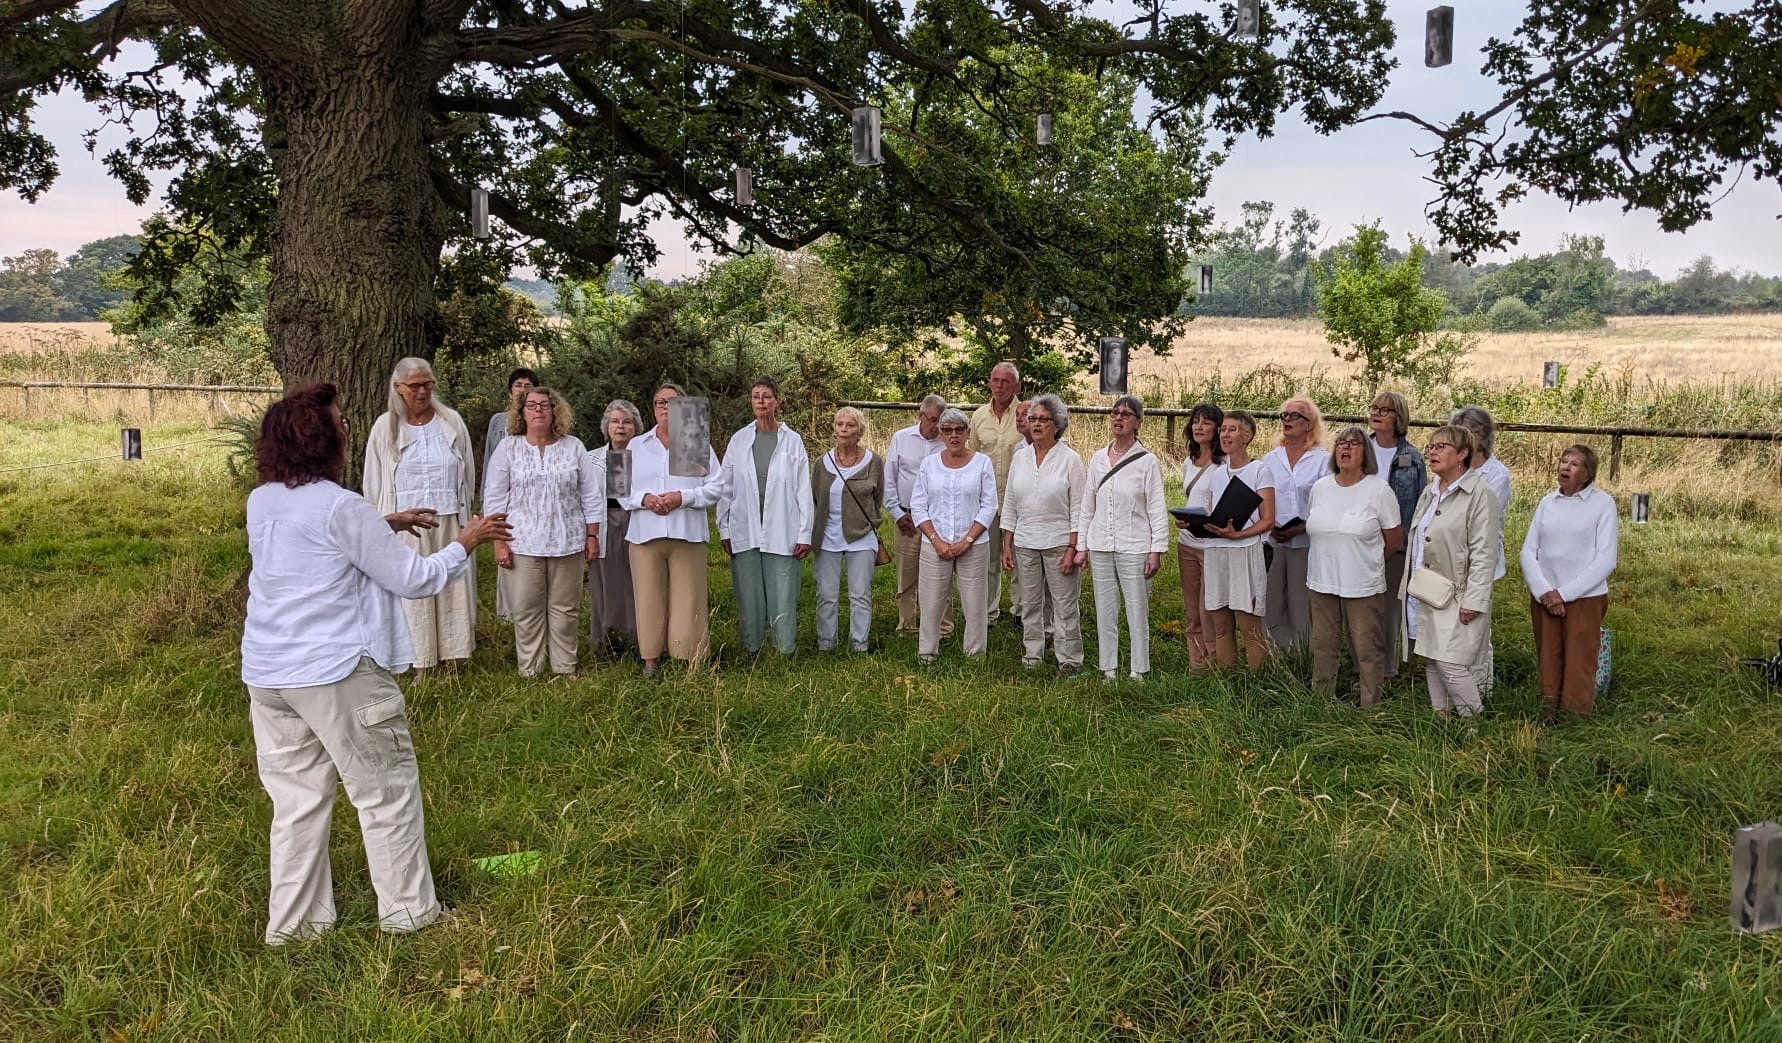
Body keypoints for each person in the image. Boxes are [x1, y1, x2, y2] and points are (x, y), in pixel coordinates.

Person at [242, 382, 510, 945]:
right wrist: (466, 540)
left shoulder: (262, 500)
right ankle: (410, 914)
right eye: (339, 423)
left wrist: (380, 524)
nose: (345, 427)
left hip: (268, 675)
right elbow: (415, 580)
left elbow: (310, 543)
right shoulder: (342, 506)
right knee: (386, 793)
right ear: (325, 441)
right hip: (336, 672)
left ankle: (295, 928)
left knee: (296, 802)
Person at [362, 357, 479, 674]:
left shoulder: (451, 422)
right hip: (405, 528)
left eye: (428, 384)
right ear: (398, 388)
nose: (423, 391)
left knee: (452, 588)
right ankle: (420, 664)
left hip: (449, 521)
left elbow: (466, 473)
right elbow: (373, 483)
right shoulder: (385, 428)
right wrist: (382, 522)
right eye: (415, 386)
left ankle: (452, 660)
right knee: (413, 592)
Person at [484, 386, 601, 677]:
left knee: (565, 610)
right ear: (521, 413)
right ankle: (531, 670)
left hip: (568, 540)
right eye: (532, 405)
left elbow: (590, 495)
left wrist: (592, 535)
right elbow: (494, 499)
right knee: (526, 609)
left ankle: (564, 668)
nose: (538, 410)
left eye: (545, 405)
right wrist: (499, 543)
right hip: (522, 542)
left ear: (555, 411)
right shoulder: (508, 448)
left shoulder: (573, 446)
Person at [619, 383, 724, 678]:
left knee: (689, 597)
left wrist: (684, 497)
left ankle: (688, 660)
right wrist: (644, 499)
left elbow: (716, 486)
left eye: (671, 402)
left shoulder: (695, 441)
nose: (665, 408)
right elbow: (619, 489)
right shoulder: (636, 445)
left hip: (687, 532)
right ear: (653, 409)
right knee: (648, 597)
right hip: (644, 534)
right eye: (659, 403)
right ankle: (650, 659)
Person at [1399, 424, 1500, 719]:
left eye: (1441, 446)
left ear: (1463, 454)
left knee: (1451, 662)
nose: (1432, 452)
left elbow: (1484, 552)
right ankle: (1441, 722)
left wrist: (1474, 599)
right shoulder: (1430, 492)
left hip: (1457, 594)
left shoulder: (1480, 495)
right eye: (1431, 446)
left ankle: (1473, 726)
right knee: (1432, 656)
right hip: (1426, 590)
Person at [1305, 427, 1403, 707]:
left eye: (1354, 444)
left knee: (1366, 647)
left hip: (1362, 585)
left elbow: (1394, 538)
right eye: (1341, 443)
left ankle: (1369, 705)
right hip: (1321, 581)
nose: (1345, 448)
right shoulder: (1321, 487)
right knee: (1323, 644)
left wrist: (1367, 562)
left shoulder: (1379, 490)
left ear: (1366, 453)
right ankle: (1322, 699)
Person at [1520, 444, 1618, 718]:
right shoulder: (1547, 502)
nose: (1565, 467)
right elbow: (1528, 551)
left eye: (1574, 464)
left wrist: (1563, 594)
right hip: (1544, 596)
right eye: (1563, 461)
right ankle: (1548, 713)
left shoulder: (1603, 505)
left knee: (1579, 661)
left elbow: (1606, 560)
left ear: (1588, 474)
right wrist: (1544, 592)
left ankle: (1574, 720)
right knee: (1549, 657)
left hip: (1584, 598)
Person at [717, 377, 813, 656]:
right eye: (756, 396)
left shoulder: (792, 441)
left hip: (783, 528)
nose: (761, 401)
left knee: (783, 590)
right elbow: (726, 486)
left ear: (777, 401)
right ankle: (752, 646)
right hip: (744, 527)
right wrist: (723, 529)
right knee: (749, 592)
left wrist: (804, 533)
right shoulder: (740, 439)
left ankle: (784, 647)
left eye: (767, 396)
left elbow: (803, 489)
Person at [1076, 394, 1169, 682]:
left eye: (1126, 414)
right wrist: (1082, 546)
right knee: (1105, 609)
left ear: (1138, 422)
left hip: (1135, 545)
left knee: (1136, 609)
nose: (1118, 418)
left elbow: (1156, 507)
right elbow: (1087, 504)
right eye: (1115, 413)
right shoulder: (1097, 459)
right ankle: (1108, 668)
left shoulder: (1147, 462)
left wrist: (1157, 549)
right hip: (1101, 543)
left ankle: (1138, 670)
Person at [1000, 394, 1085, 673]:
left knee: (1064, 605)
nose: (1035, 424)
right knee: (1030, 604)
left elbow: (1079, 507)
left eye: (1043, 419)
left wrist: (1073, 547)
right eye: (1032, 418)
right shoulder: (1020, 457)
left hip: (1059, 542)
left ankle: (1069, 658)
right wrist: (1007, 541)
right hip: (1025, 541)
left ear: (1057, 425)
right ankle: (1032, 655)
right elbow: (1011, 502)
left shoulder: (1070, 459)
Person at [911, 407, 998, 662]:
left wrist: (967, 541)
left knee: (974, 603)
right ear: (940, 434)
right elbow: (918, 505)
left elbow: (989, 505)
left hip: (973, 545)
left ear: (968, 432)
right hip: (934, 544)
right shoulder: (929, 465)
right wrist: (936, 540)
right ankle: (927, 653)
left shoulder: (982, 463)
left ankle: (974, 655)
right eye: (947, 431)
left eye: (959, 430)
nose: (954, 435)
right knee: (931, 602)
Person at [1195, 411, 1278, 670]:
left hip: (1245, 551)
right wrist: (1196, 523)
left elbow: (1268, 519)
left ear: (1247, 436)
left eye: (1232, 429)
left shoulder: (1259, 471)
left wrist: (1238, 534)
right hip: (1218, 550)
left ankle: (1257, 683)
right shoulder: (1218, 472)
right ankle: (1229, 682)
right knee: (1221, 625)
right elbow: (1213, 513)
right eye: (1223, 430)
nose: (1225, 434)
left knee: (1248, 625)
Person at [811, 406, 886, 652]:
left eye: (850, 425)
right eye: (840, 424)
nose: (844, 429)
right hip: (827, 537)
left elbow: (877, 499)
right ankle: (826, 644)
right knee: (826, 594)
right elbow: (815, 499)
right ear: (834, 429)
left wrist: (867, 524)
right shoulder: (822, 463)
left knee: (860, 594)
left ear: (860, 431)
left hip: (861, 537)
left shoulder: (873, 462)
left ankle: (859, 644)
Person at [1450, 404, 1512, 692]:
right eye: (1459, 431)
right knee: (1452, 628)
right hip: (1450, 559)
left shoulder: (1497, 475)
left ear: (1484, 435)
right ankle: (1454, 687)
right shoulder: (1451, 470)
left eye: (1471, 431)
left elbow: (1480, 519)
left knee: (1476, 629)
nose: (1465, 436)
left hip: (1479, 562)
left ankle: (1480, 690)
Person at [1263, 396, 1329, 650]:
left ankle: (1302, 655)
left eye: (1294, 416)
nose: (1287, 420)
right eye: (1284, 416)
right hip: (1274, 539)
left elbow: (1326, 501)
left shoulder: (1323, 459)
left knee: (1301, 602)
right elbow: (1262, 497)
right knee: (1273, 598)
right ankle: (1273, 653)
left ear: (1309, 423)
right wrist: (1271, 525)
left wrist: (1301, 527)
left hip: (1305, 540)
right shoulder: (1271, 459)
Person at [1368, 391, 1426, 678]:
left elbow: (1421, 504)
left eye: (1385, 410)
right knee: (1362, 610)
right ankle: (1362, 666)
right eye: (1374, 408)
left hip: (1396, 546)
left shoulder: (1412, 458)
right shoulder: (1357, 450)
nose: (1377, 413)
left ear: (1398, 417)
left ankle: (1387, 671)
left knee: (1389, 611)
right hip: (1359, 543)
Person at [884, 395, 949, 635]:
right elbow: (889, 479)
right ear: (920, 416)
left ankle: (943, 627)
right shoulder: (901, 438)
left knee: (940, 575)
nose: (936, 426)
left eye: (940, 421)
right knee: (907, 574)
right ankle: (907, 624)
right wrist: (896, 513)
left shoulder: (947, 441)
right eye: (932, 420)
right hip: (907, 519)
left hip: (938, 520)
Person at [968, 362, 1024, 625]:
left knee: (1020, 560)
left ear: (1017, 386)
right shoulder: (979, 416)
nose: (1000, 386)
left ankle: (1022, 611)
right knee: (987, 560)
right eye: (996, 380)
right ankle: (988, 614)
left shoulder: (1027, 413)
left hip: (1020, 502)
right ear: (989, 383)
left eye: (1006, 381)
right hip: (987, 502)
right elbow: (972, 456)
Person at [587, 399, 643, 652]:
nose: (621, 427)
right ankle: (604, 640)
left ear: (636, 427)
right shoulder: (591, 459)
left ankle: (635, 638)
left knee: (634, 582)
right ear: (606, 426)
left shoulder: (643, 457)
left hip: (635, 523)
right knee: (604, 582)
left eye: (627, 422)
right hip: (603, 525)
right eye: (615, 421)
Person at [1174, 402, 1225, 671]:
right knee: (1192, 609)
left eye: (1206, 422)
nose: (1199, 426)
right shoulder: (1187, 463)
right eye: (1195, 421)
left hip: (1212, 545)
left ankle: (1215, 661)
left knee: (1209, 609)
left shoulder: (1223, 466)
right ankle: (1197, 664)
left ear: (1217, 428)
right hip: (1187, 544)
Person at [483, 367, 537, 621]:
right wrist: (485, 502)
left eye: (528, 385)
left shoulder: (539, 420)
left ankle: (530, 612)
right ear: (510, 390)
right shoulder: (497, 421)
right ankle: (506, 615)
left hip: (528, 498)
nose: (523, 389)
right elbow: (488, 458)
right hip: (501, 494)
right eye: (518, 385)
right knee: (505, 550)